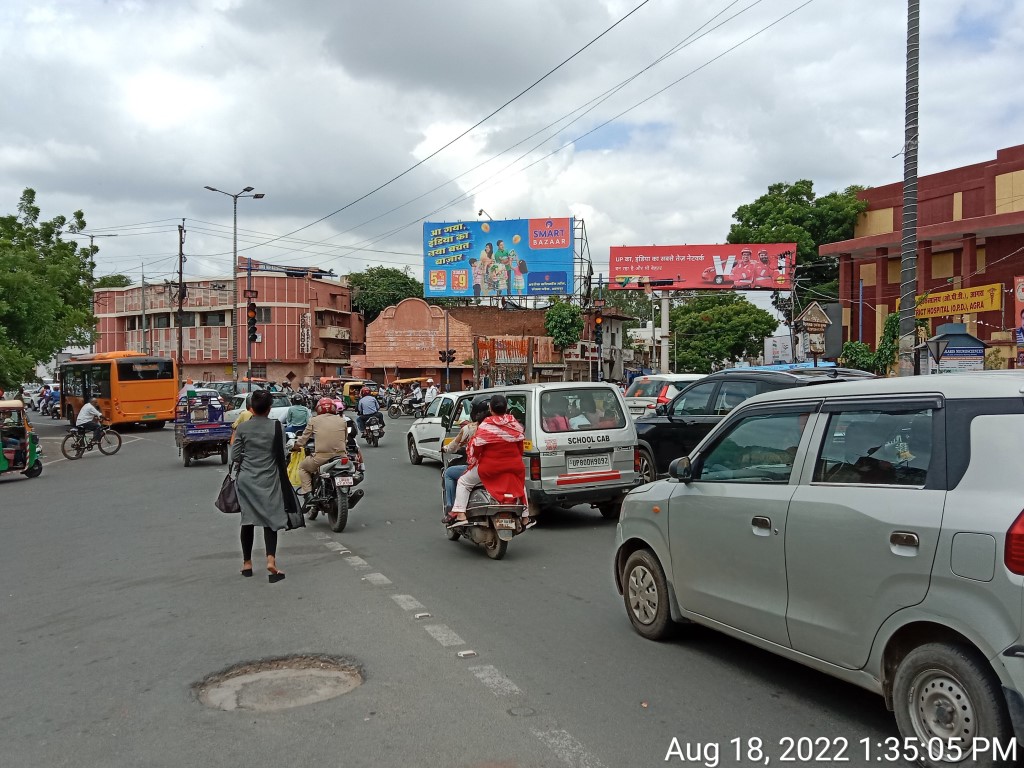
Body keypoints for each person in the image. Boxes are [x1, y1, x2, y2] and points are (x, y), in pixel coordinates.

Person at [230, 389, 293, 583]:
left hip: (247, 480)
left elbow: (234, 456)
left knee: (247, 520)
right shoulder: (276, 427)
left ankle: (247, 564)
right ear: (269, 408)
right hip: (269, 479)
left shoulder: (242, 428)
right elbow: (281, 454)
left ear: (251, 408)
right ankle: (270, 560)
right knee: (270, 519)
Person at [449, 394, 530, 528]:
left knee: (463, 482)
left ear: (491, 409)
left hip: (490, 469)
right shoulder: (515, 424)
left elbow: (476, 450)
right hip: (514, 467)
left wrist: (473, 461)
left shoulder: (485, 425)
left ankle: (461, 515)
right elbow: (520, 448)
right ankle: (526, 517)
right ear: (506, 408)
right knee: (520, 485)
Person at [292, 398, 357, 505]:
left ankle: (308, 494)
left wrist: (295, 446)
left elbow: (303, 440)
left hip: (321, 458)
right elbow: (345, 439)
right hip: (341, 457)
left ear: (318, 408)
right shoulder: (342, 420)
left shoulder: (314, 420)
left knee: (303, 468)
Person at [440, 400, 490, 522]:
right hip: (503, 467)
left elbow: (454, 446)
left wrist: (445, 448)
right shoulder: (502, 428)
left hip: (481, 468)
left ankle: (454, 510)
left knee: (450, 473)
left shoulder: (470, 429)